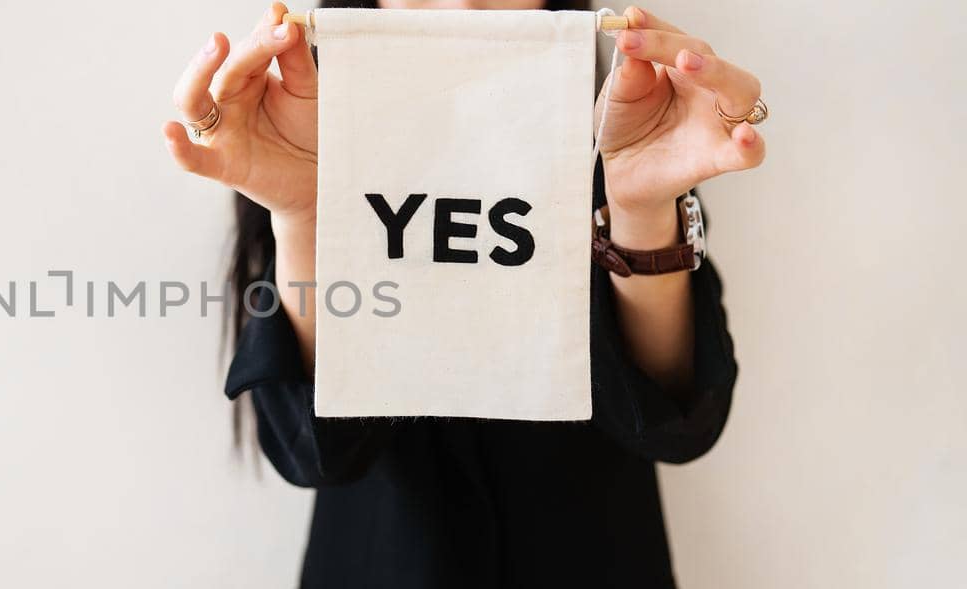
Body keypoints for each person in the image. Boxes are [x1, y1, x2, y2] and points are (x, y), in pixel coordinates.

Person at [161, 1, 766, 587]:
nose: (464, 8)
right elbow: (310, 450)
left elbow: (678, 425)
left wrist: (642, 210)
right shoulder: (300, 127)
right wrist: (304, 218)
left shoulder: (628, 124)